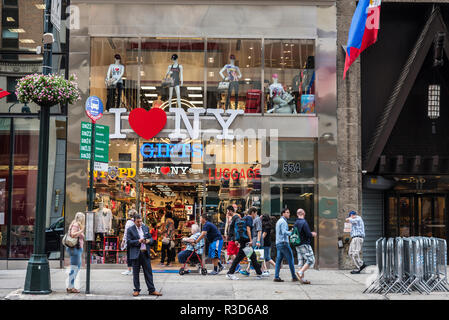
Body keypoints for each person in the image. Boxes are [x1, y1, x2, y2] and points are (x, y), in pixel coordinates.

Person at [127, 215, 162, 297]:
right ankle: (136, 290)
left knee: (148, 272)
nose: (140, 223)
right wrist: (138, 241)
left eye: (140, 221)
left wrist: (149, 240)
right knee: (136, 273)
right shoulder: (130, 230)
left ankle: (151, 290)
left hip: (145, 253)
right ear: (134, 221)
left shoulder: (145, 228)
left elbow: (152, 239)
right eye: (138, 222)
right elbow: (128, 242)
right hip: (136, 253)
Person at [226, 210, 263, 280]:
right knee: (250, 257)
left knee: (250, 257)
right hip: (246, 241)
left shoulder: (244, 218)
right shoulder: (249, 218)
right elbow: (248, 229)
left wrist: (237, 239)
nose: (256, 215)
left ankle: (259, 273)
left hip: (243, 241)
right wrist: (251, 240)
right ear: (252, 213)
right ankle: (230, 273)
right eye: (256, 213)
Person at [274, 208, 299, 282]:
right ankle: (294, 277)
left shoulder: (279, 221)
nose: (289, 214)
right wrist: (292, 233)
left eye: (289, 212)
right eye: (287, 212)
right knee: (291, 259)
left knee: (278, 260)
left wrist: (289, 232)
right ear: (283, 214)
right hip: (284, 243)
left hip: (279, 243)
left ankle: (276, 277)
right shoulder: (283, 222)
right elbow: (284, 232)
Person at [294, 209, 317, 284]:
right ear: (304, 213)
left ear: (297, 214)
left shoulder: (296, 222)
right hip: (304, 244)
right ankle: (300, 272)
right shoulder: (304, 222)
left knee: (301, 261)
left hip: (297, 244)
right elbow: (308, 234)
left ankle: (302, 279)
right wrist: (312, 234)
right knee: (311, 260)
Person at [241, 207, 264, 276]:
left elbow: (259, 231)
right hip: (254, 239)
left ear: (253, 213)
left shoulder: (257, 219)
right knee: (254, 255)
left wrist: (258, 241)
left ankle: (259, 271)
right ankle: (252, 270)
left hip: (256, 239)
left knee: (257, 256)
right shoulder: (253, 219)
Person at [66, 212, 85, 293]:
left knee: (77, 267)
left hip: (76, 249)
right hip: (75, 249)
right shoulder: (76, 225)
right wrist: (81, 231)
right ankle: (70, 287)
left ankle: (71, 286)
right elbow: (73, 234)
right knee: (74, 268)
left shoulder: (74, 224)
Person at [121, 211, 136, 275]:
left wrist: (123, 241)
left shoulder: (129, 222)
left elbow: (126, 233)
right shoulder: (137, 222)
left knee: (129, 255)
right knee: (134, 255)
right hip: (136, 241)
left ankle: (129, 270)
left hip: (130, 241)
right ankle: (134, 269)